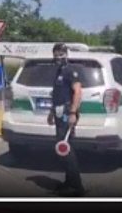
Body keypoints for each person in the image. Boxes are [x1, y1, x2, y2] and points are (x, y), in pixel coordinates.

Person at [47, 43, 85, 196]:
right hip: (58, 112)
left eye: (61, 54)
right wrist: (51, 112)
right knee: (63, 147)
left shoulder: (71, 71)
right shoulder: (59, 71)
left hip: (67, 112)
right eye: (56, 54)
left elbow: (77, 92)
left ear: (66, 54)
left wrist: (73, 113)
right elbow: (57, 94)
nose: (58, 57)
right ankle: (69, 182)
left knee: (65, 148)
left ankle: (77, 187)